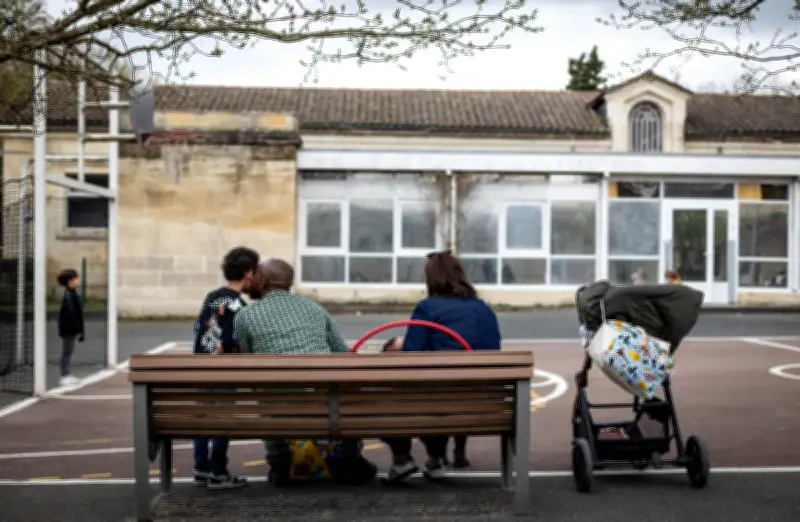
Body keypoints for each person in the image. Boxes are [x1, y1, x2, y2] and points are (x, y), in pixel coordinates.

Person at [234, 258, 377, 487]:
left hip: (277, 405)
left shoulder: (245, 316)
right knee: (346, 394)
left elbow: (248, 358)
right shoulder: (315, 308)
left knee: (266, 393)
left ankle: (279, 463)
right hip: (323, 403)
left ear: (263, 282)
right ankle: (348, 458)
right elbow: (342, 352)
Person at [383, 250, 502, 483]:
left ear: (431, 278)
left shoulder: (428, 308)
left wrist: (397, 347)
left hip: (438, 400)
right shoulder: (484, 309)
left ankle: (402, 459)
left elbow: (409, 356)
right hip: (481, 404)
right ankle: (435, 459)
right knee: (442, 394)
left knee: (393, 395)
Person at [191, 246, 260, 490]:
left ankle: (201, 467)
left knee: (204, 417)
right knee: (222, 418)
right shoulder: (238, 305)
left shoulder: (212, 297)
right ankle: (218, 471)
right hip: (223, 370)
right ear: (249, 273)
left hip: (201, 368)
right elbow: (232, 341)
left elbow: (199, 329)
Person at [56, 269, 84, 387]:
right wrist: (75, 328)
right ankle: (64, 375)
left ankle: (67, 374)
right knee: (66, 352)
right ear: (70, 281)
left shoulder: (72, 294)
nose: (78, 281)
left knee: (69, 352)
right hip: (68, 330)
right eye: (76, 279)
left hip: (70, 329)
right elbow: (69, 314)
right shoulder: (69, 296)